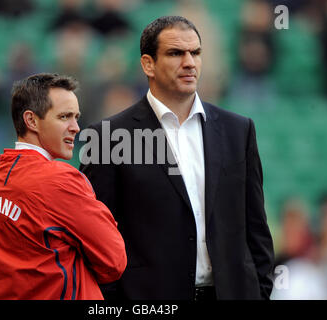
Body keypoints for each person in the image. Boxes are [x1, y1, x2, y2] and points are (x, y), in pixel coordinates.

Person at [80, 16, 275, 300]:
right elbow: (95, 239)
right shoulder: (107, 137)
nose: (189, 62)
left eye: (195, 53)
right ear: (148, 64)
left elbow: (256, 227)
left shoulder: (238, 130)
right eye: (175, 53)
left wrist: (259, 292)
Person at [0, 73, 127, 300]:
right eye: (64, 117)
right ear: (31, 121)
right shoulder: (58, 180)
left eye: (76, 117)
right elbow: (115, 261)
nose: (76, 127)